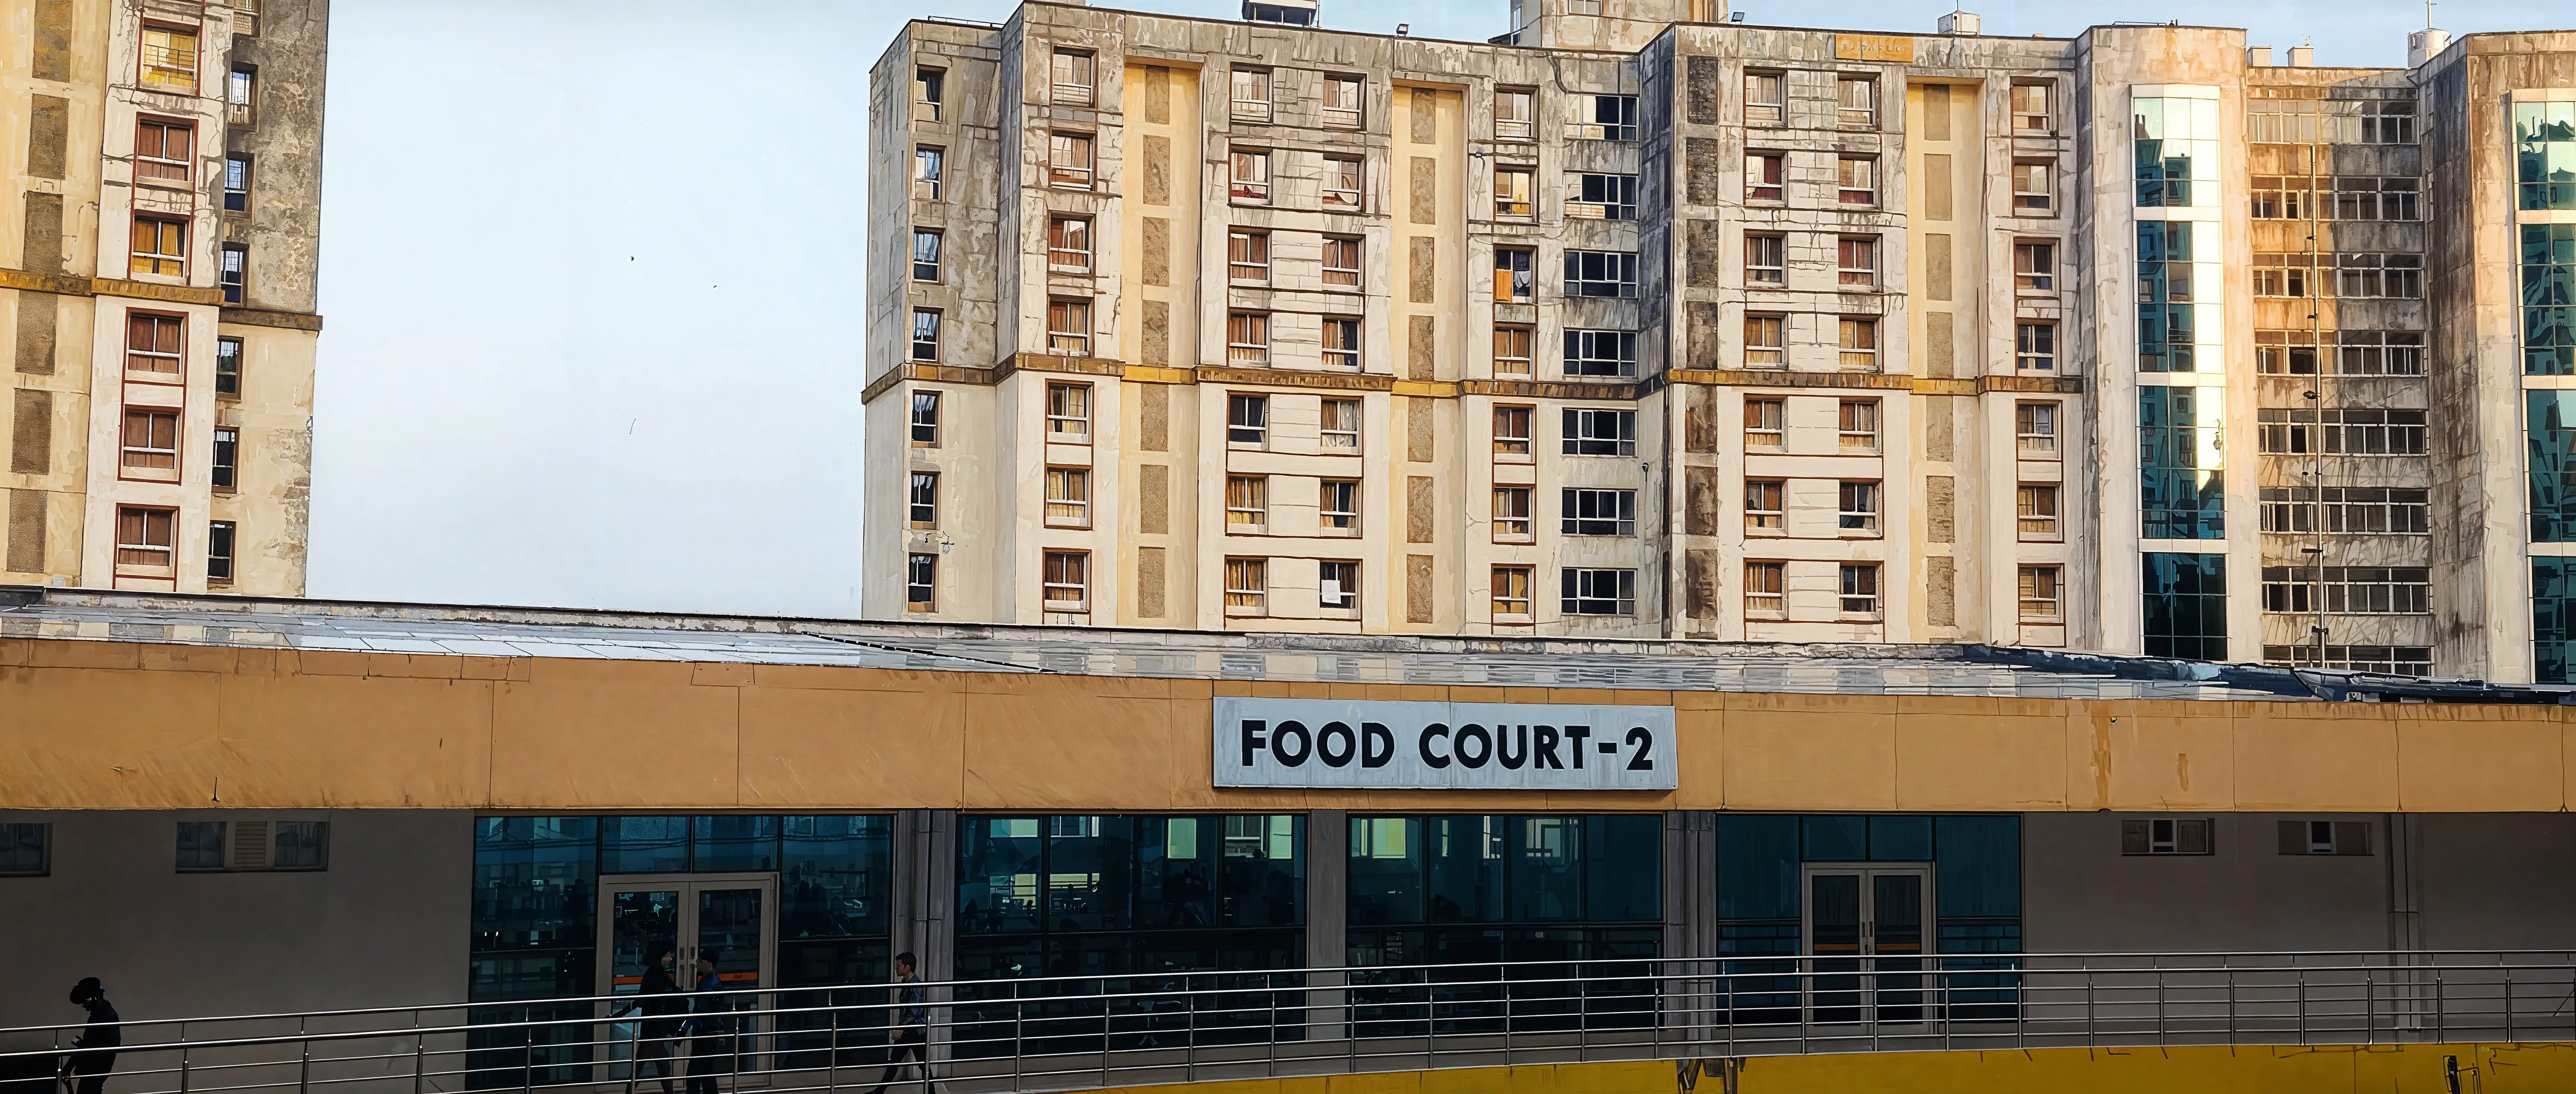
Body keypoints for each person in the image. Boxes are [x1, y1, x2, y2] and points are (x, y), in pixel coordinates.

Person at [612, 948, 683, 1094]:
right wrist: (618, 1015)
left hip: (654, 1027)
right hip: (654, 1029)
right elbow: (648, 1002)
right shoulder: (656, 976)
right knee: (645, 1068)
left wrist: (619, 1015)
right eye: (667, 956)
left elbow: (640, 1001)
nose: (671, 959)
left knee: (661, 1067)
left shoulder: (655, 974)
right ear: (659, 959)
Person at [862, 953, 930, 1094]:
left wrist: (900, 1029)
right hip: (910, 1030)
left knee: (921, 1065)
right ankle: (879, 1092)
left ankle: (879, 1092)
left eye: (899, 965)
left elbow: (916, 1011)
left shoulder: (916, 985)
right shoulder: (906, 984)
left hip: (914, 1031)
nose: (896, 968)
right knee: (897, 1062)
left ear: (907, 967)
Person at [59, 979, 118, 1094]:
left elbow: (112, 1047)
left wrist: (84, 1046)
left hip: (97, 1070)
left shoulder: (109, 1016)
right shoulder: (97, 1015)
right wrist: (69, 1066)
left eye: (85, 1001)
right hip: (90, 1068)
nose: (84, 1005)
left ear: (95, 998)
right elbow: (87, 1043)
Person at [684, 955, 731, 1094]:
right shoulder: (711, 981)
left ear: (710, 965)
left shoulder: (709, 984)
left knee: (696, 1073)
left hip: (705, 1032)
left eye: (701, 961)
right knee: (706, 1072)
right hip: (708, 1031)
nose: (697, 963)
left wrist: (684, 1029)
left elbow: (700, 1010)